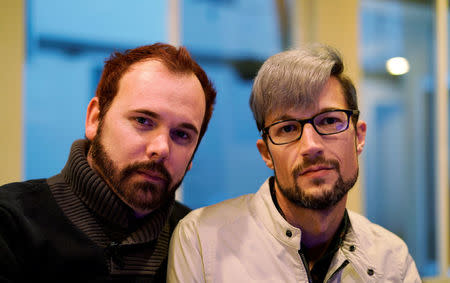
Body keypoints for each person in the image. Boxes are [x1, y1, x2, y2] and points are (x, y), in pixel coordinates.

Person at [167, 44, 421, 282]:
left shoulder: (392, 261)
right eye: (288, 128)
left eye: (329, 121)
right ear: (266, 153)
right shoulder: (202, 241)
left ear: (359, 136)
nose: (311, 146)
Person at [0, 43, 216, 282]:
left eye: (182, 135)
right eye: (143, 121)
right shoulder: (11, 224)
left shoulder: (199, 242)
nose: (161, 148)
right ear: (95, 119)